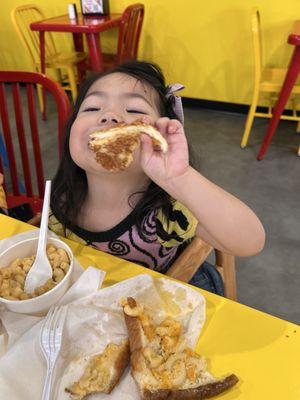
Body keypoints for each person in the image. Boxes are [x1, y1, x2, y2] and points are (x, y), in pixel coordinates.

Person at [49, 61, 265, 295]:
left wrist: (179, 178)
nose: (109, 116)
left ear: (158, 137)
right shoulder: (60, 200)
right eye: (92, 108)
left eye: (134, 110)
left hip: (164, 302)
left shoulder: (169, 211)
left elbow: (250, 241)